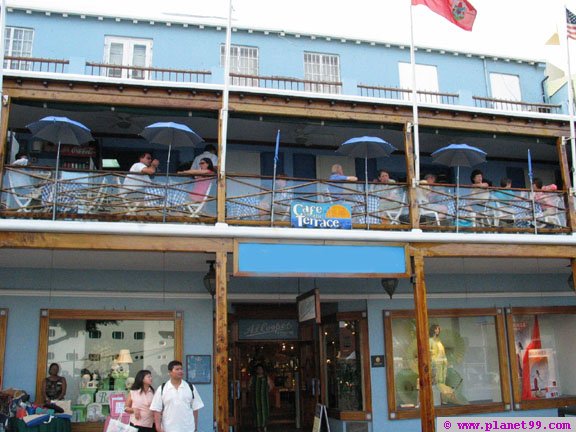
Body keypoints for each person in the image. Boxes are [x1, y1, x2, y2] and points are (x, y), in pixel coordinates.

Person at [151, 360, 204, 432]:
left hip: (188, 428)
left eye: (181, 369)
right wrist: (158, 428)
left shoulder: (190, 387)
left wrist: (195, 427)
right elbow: (156, 409)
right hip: (168, 428)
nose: (180, 371)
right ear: (170, 372)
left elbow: (195, 408)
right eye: (177, 369)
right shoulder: (162, 388)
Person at [249, 364, 274, 432]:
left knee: (264, 412)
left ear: (263, 370)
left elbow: (271, 385)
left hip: (264, 399)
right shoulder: (253, 378)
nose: (259, 370)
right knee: (256, 412)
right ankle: (258, 428)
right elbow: (249, 386)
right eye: (258, 369)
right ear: (256, 370)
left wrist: (266, 391)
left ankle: (265, 426)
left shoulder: (266, 378)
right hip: (256, 399)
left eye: (261, 369)